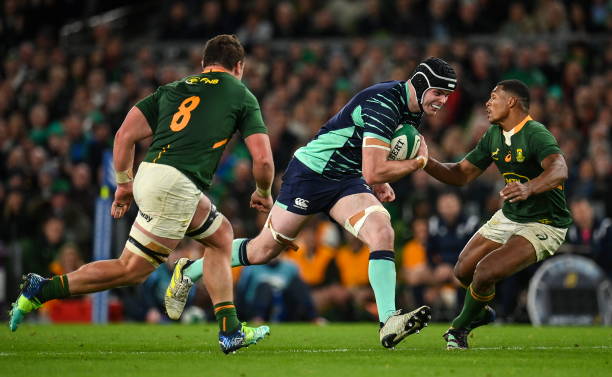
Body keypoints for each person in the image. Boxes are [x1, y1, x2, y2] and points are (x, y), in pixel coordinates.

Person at [166, 57, 458, 348]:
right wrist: (417, 162)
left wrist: (379, 183)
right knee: (262, 251)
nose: (443, 101)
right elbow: (374, 169)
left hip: (346, 178)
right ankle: (188, 270)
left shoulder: (413, 108)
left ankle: (388, 321)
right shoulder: (384, 103)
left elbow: (365, 151)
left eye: (447, 95)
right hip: (311, 173)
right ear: (420, 84)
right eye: (438, 93)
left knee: (382, 229)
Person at [9, 34, 273, 354]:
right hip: (177, 186)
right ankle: (43, 288)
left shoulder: (173, 89)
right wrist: (263, 191)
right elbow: (262, 159)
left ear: (204, 65)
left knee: (221, 236)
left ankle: (227, 326)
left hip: (150, 174)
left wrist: (123, 185)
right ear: (239, 67)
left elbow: (124, 136)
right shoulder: (241, 94)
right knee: (130, 270)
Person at [423, 79, 571, 349]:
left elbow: (559, 169)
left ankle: (458, 328)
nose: (487, 103)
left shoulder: (536, 133)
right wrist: (424, 162)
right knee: (463, 270)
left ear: (512, 102)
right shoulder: (493, 135)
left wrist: (529, 187)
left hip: (545, 222)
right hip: (511, 215)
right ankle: (480, 312)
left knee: (485, 271)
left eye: (494, 97)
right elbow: (461, 174)